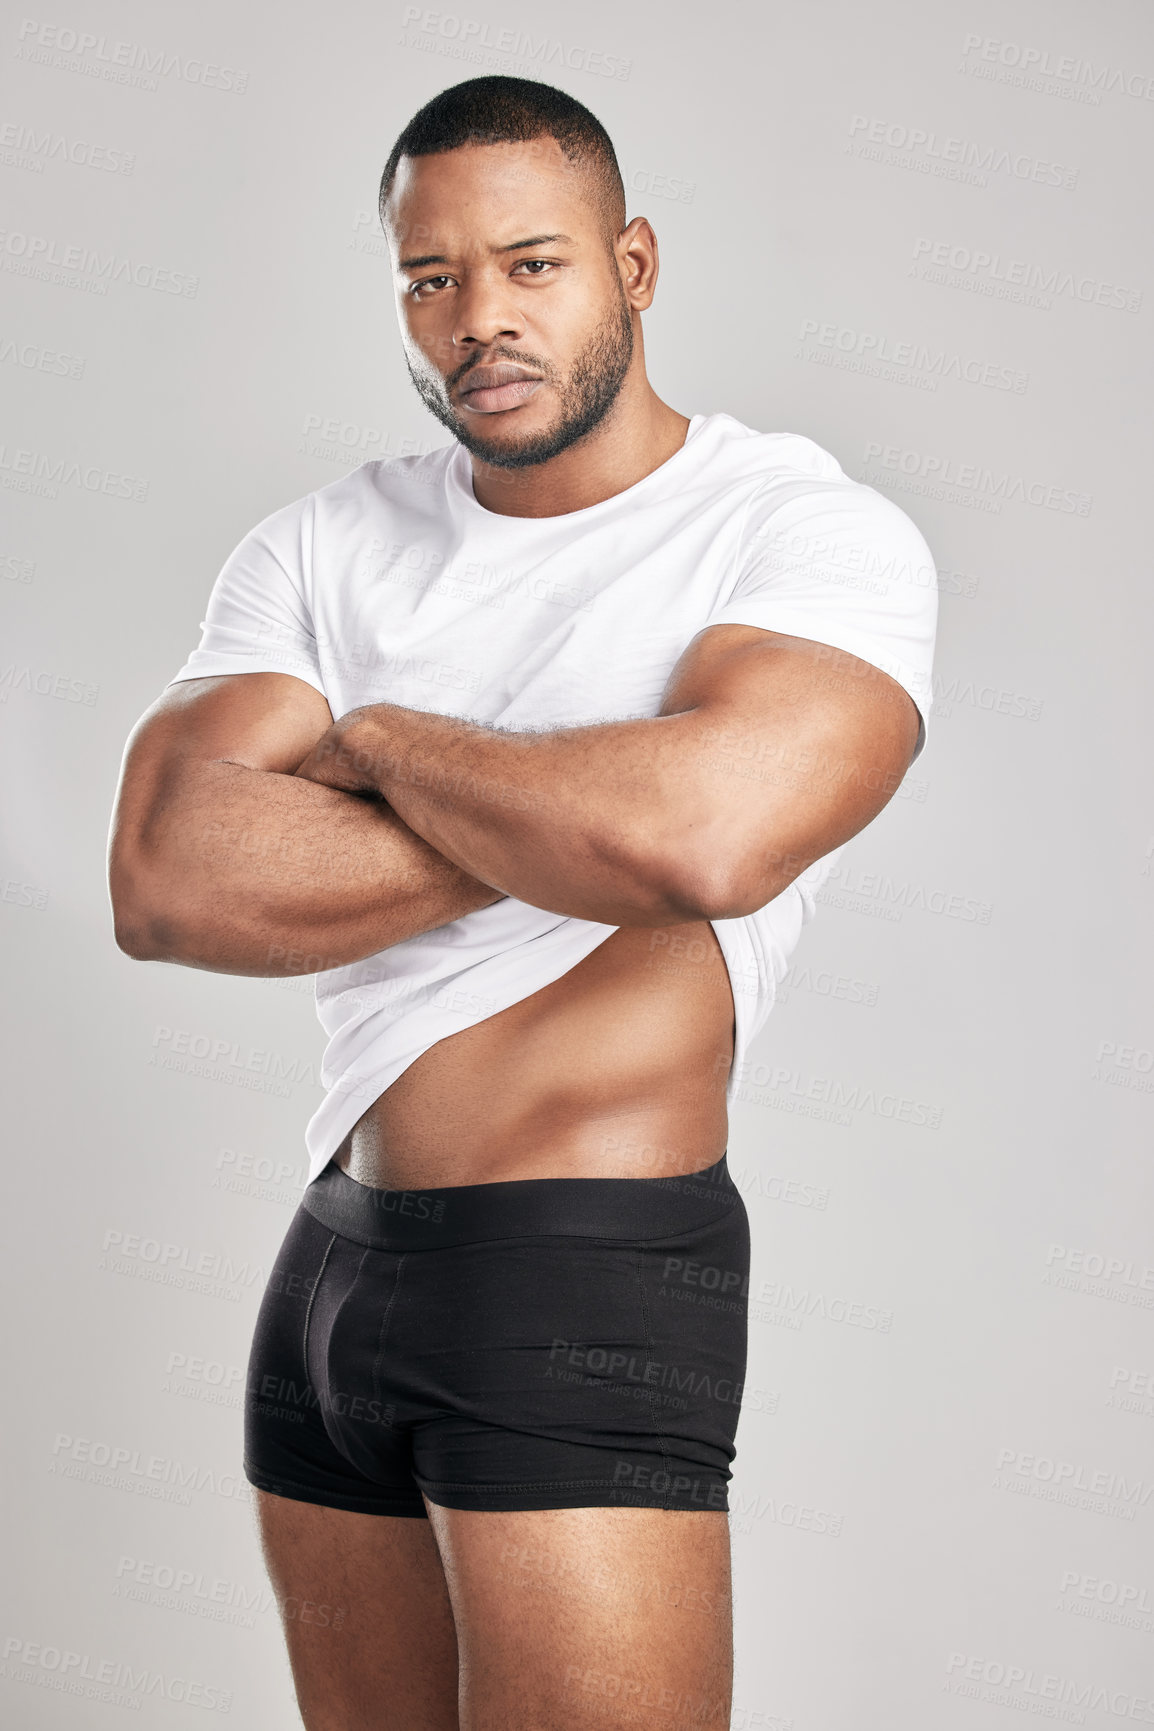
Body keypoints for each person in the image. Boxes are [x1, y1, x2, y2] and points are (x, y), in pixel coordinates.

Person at [108, 74, 937, 1731]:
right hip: (328, 1273)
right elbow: (169, 876)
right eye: (432, 278)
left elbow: (703, 845)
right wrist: (582, 803)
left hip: (584, 1269)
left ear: (631, 262)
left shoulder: (793, 533)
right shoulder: (327, 543)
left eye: (532, 264)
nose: (478, 319)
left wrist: (382, 740)